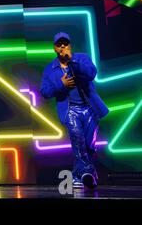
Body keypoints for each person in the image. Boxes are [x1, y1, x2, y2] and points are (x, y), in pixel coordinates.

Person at [40, 32, 109, 190]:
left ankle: (79, 175)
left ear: (70, 45)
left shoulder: (82, 58)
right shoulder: (50, 69)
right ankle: (87, 174)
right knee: (78, 142)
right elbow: (44, 92)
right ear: (54, 48)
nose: (62, 46)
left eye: (65, 43)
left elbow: (91, 74)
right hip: (70, 110)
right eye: (59, 44)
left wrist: (73, 60)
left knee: (90, 145)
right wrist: (60, 84)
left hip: (90, 107)